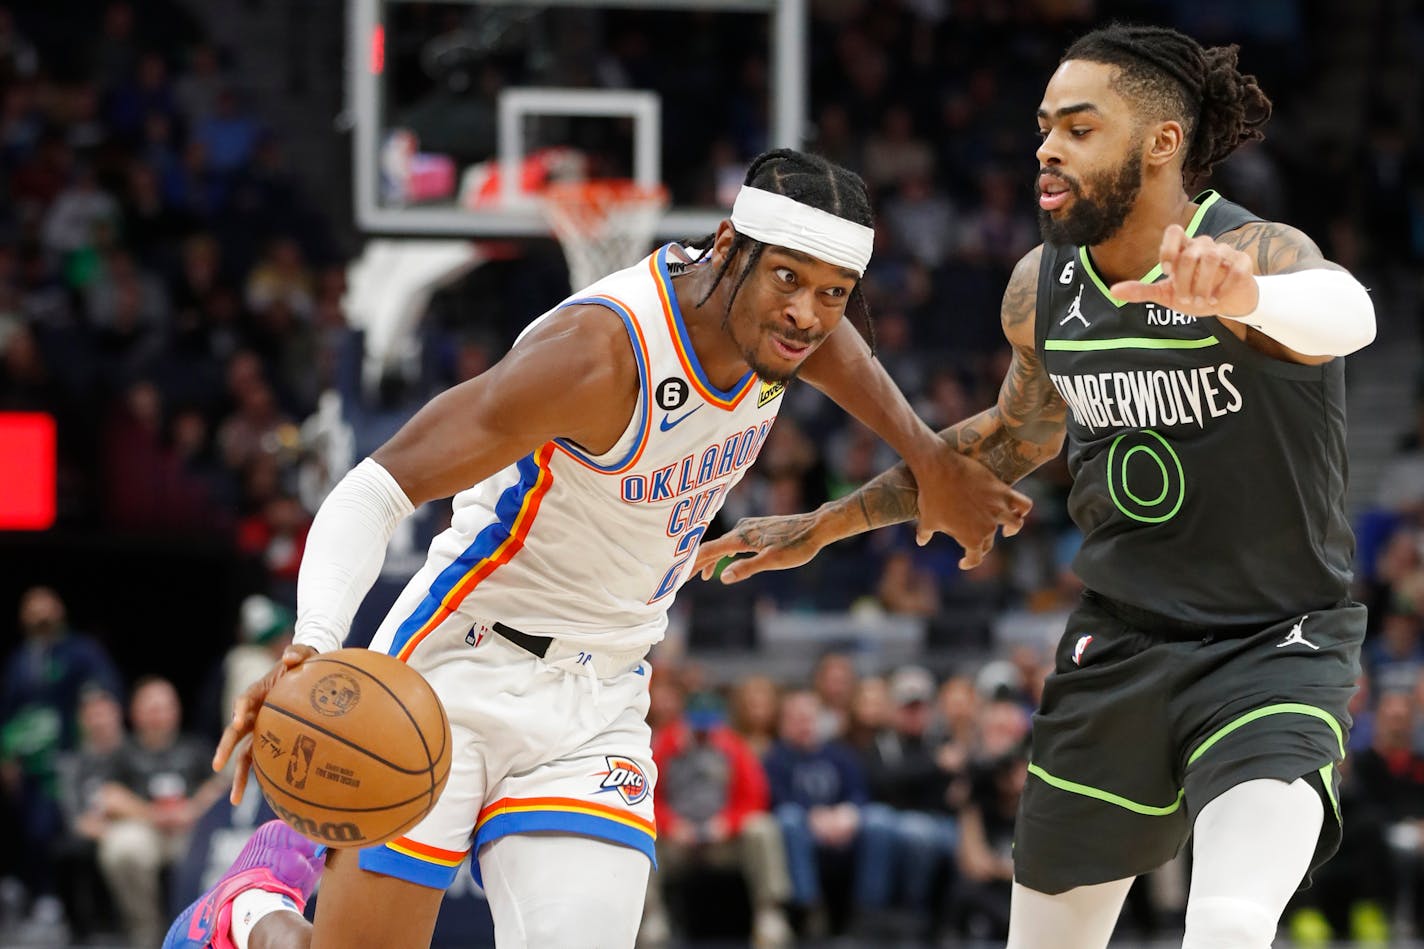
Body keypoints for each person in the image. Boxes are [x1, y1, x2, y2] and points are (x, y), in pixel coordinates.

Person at [165, 147, 1031, 949]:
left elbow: (837, 351)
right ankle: (255, 910)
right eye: (788, 279)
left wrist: (927, 458)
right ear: (728, 246)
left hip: (603, 693)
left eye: (835, 290)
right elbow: (376, 486)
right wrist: (313, 643)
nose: (807, 313)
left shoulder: (794, 331)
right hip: (456, 670)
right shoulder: (597, 355)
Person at [695, 26, 1377, 949]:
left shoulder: (1252, 251)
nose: (1048, 148)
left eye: (1081, 128)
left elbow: (1350, 314)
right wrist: (828, 524)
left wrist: (1244, 299)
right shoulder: (1043, 287)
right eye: (1045, 126)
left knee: (1227, 917)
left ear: (1161, 142)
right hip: (1122, 640)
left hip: (1274, 642)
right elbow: (1009, 439)